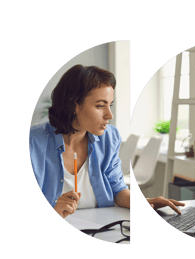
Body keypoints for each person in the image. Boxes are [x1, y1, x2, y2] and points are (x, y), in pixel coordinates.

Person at [29, 65, 184, 219]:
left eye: (110, 105)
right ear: (74, 105)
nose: (109, 115)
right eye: (100, 106)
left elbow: (118, 190)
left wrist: (144, 202)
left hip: (101, 230)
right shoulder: (32, 143)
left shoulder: (109, 137)